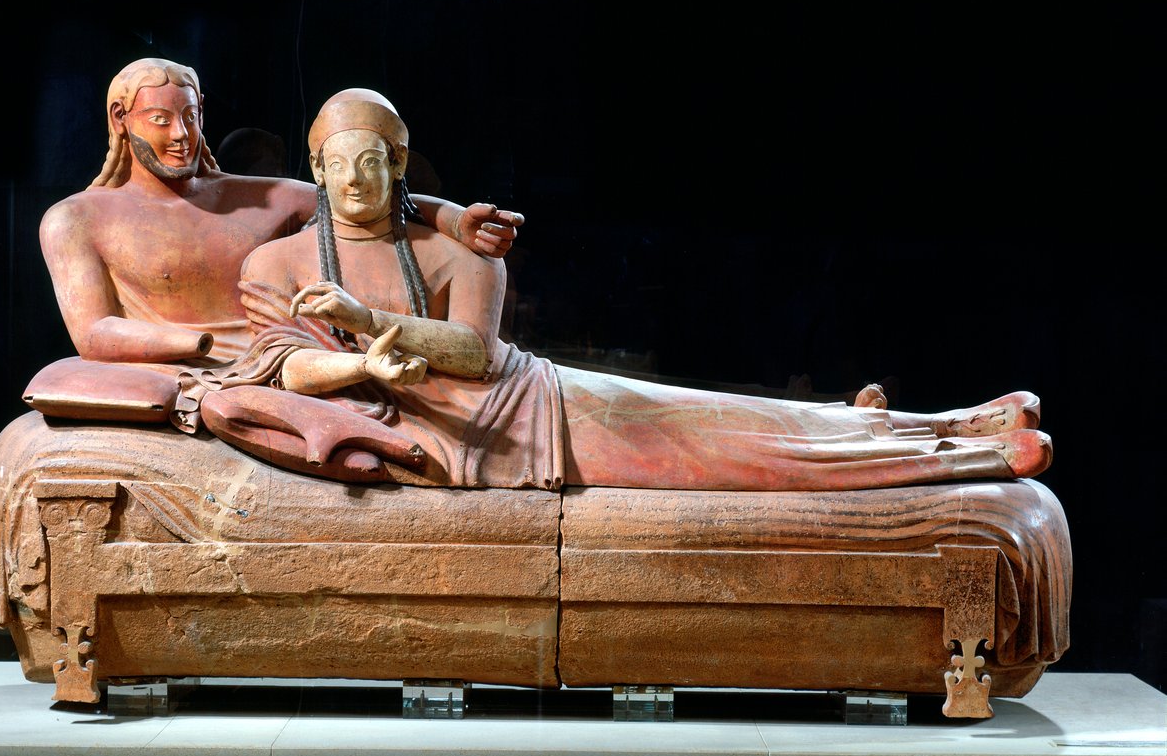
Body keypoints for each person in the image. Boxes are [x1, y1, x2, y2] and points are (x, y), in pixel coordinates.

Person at [195, 88, 1051, 490]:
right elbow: (282, 366)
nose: (356, 180)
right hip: (477, 444)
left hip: (531, 407)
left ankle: (942, 428)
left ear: (400, 165)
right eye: (339, 164)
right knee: (735, 453)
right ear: (317, 170)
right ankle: (953, 445)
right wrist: (362, 368)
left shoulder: (459, 249)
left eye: (373, 162)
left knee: (723, 423)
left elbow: (478, 355)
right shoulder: (279, 265)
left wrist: (366, 318)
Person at [39, 59, 523, 367]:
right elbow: (94, 333)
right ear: (121, 119)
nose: (181, 135)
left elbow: (360, 196)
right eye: (160, 121)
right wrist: (200, 347)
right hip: (226, 367)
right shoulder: (75, 219)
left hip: (289, 366)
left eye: (189, 116)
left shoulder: (259, 197)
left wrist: (455, 220)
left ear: (202, 110)